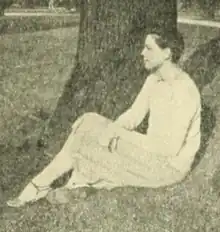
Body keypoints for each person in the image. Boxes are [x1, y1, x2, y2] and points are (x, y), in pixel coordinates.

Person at [7, 32, 201, 207]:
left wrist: (117, 134)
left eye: (149, 48)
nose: (142, 53)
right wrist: (112, 129)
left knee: (93, 140)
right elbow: (134, 114)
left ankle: (57, 185)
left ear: (167, 53)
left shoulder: (184, 90)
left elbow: (168, 149)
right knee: (89, 121)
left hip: (167, 169)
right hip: (150, 154)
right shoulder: (153, 80)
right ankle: (56, 184)